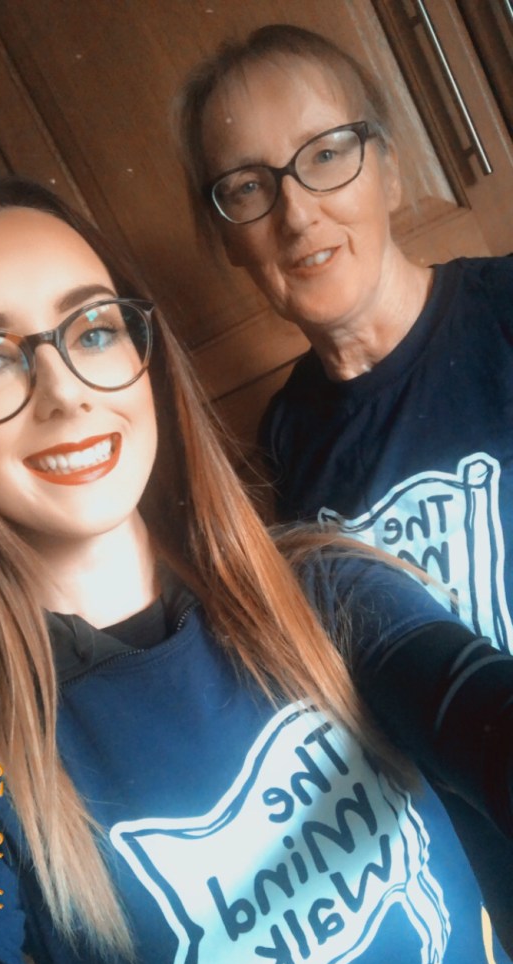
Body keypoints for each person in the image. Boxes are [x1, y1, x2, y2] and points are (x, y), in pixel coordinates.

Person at [0, 179, 513, 964]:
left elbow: (483, 713)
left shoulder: (326, 591)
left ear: (146, 359)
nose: (64, 393)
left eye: (93, 330)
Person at [175, 22, 513, 655]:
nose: (297, 214)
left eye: (325, 154)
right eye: (247, 186)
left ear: (390, 172)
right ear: (228, 239)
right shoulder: (288, 436)